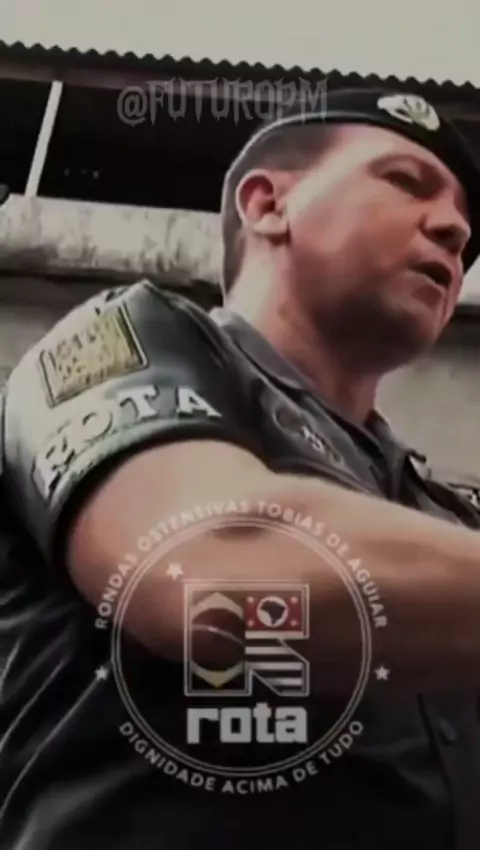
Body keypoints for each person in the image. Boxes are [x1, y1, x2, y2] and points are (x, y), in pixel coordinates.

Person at [2, 87, 480, 850]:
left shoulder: (445, 517)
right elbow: (207, 573)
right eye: (404, 181)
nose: (455, 229)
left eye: (464, 227)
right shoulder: (120, 342)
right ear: (267, 205)